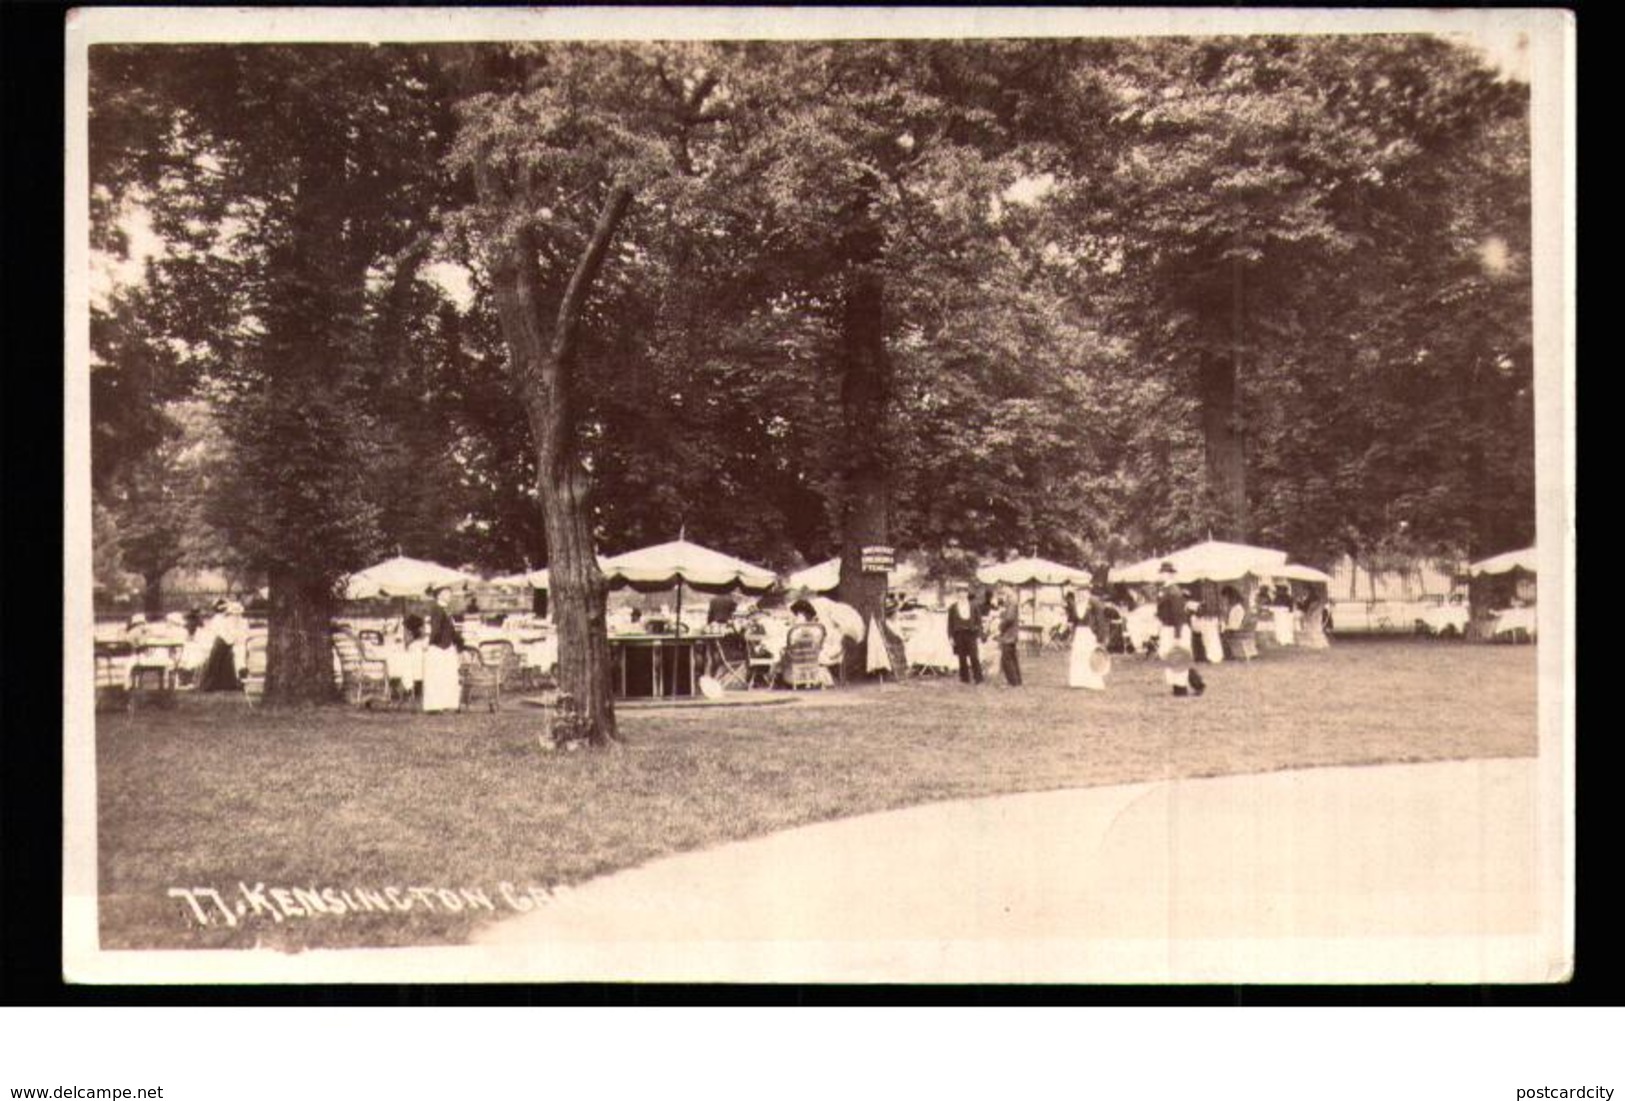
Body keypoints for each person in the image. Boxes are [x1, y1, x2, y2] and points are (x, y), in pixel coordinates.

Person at [421, 585, 464, 713]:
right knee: (436, 676)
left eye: (450, 592)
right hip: (438, 648)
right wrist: (430, 643)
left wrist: (459, 644)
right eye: (446, 592)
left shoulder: (446, 610)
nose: (450, 594)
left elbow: (451, 631)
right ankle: (433, 706)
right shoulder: (436, 610)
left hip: (447, 647)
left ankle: (448, 703)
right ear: (439, 595)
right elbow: (436, 629)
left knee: (448, 676)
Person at [1064, 587, 1108, 691]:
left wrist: (1100, 636)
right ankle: (1078, 681)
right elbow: (1073, 619)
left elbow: (1100, 620)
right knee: (1078, 656)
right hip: (1079, 633)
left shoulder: (1094, 602)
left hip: (1089, 633)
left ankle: (1091, 681)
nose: (1081, 594)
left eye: (1083, 591)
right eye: (1079, 592)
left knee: (1089, 656)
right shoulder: (1076, 604)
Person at [945, 586, 984, 685]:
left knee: (974, 656)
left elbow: (979, 622)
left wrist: (979, 635)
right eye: (960, 593)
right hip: (959, 634)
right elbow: (950, 623)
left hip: (971, 634)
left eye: (964, 592)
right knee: (961, 657)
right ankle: (964, 678)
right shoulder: (953, 607)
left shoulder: (974, 606)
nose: (962, 595)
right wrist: (950, 637)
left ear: (967, 594)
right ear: (957, 594)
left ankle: (978, 678)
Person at [996, 587, 1023, 687]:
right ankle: (1017, 680)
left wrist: (1001, 626)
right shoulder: (1013, 600)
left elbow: (1009, 618)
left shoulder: (1012, 601)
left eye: (1003, 592)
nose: (1003, 595)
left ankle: (1012, 682)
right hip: (1012, 634)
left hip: (1009, 634)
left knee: (1006, 659)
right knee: (1012, 657)